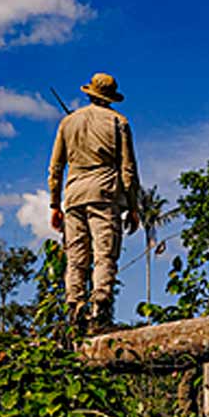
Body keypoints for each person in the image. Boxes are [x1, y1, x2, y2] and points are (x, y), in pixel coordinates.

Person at [48, 72, 140, 333]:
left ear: (89, 93)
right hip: (105, 194)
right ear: (110, 98)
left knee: (76, 258)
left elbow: (55, 168)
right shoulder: (118, 122)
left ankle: (74, 313)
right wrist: (133, 206)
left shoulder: (68, 122)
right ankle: (100, 312)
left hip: (74, 196)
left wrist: (55, 204)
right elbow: (128, 169)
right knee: (104, 255)